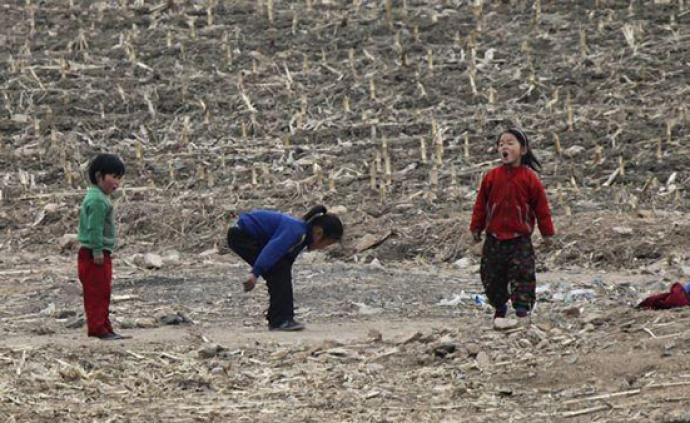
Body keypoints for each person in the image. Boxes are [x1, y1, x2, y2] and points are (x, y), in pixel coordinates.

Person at [470, 128, 555, 321]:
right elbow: (480, 206)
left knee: (523, 275)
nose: (504, 147)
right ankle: (499, 307)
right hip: (494, 239)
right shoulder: (491, 177)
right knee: (491, 277)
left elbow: (542, 208)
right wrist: (476, 228)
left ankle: (522, 309)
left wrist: (547, 233)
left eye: (510, 143)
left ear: (523, 150)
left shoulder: (530, 178)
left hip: (520, 240)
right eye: (501, 144)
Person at [227, 205, 343, 331]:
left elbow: (286, 260)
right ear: (319, 233)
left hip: (243, 234)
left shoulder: (301, 235)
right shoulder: (296, 231)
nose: (324, 247)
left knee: (281, 269)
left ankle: (281, 318)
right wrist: (255, 273)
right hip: (241, 235)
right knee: (279, 270)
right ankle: (280, 320)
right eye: (327, 243)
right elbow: (273, 250)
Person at [77, 153, 128, 340]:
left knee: (102, 291)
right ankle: (98, 329)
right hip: (93, 254)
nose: (117, 182)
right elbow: (94, 228)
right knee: (97, 293)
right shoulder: (98, 200)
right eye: (113, 177)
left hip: (95, 252)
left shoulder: (98, 196)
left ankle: (105, 327)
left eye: (119, 178)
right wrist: (97, 251)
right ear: (99, 176)